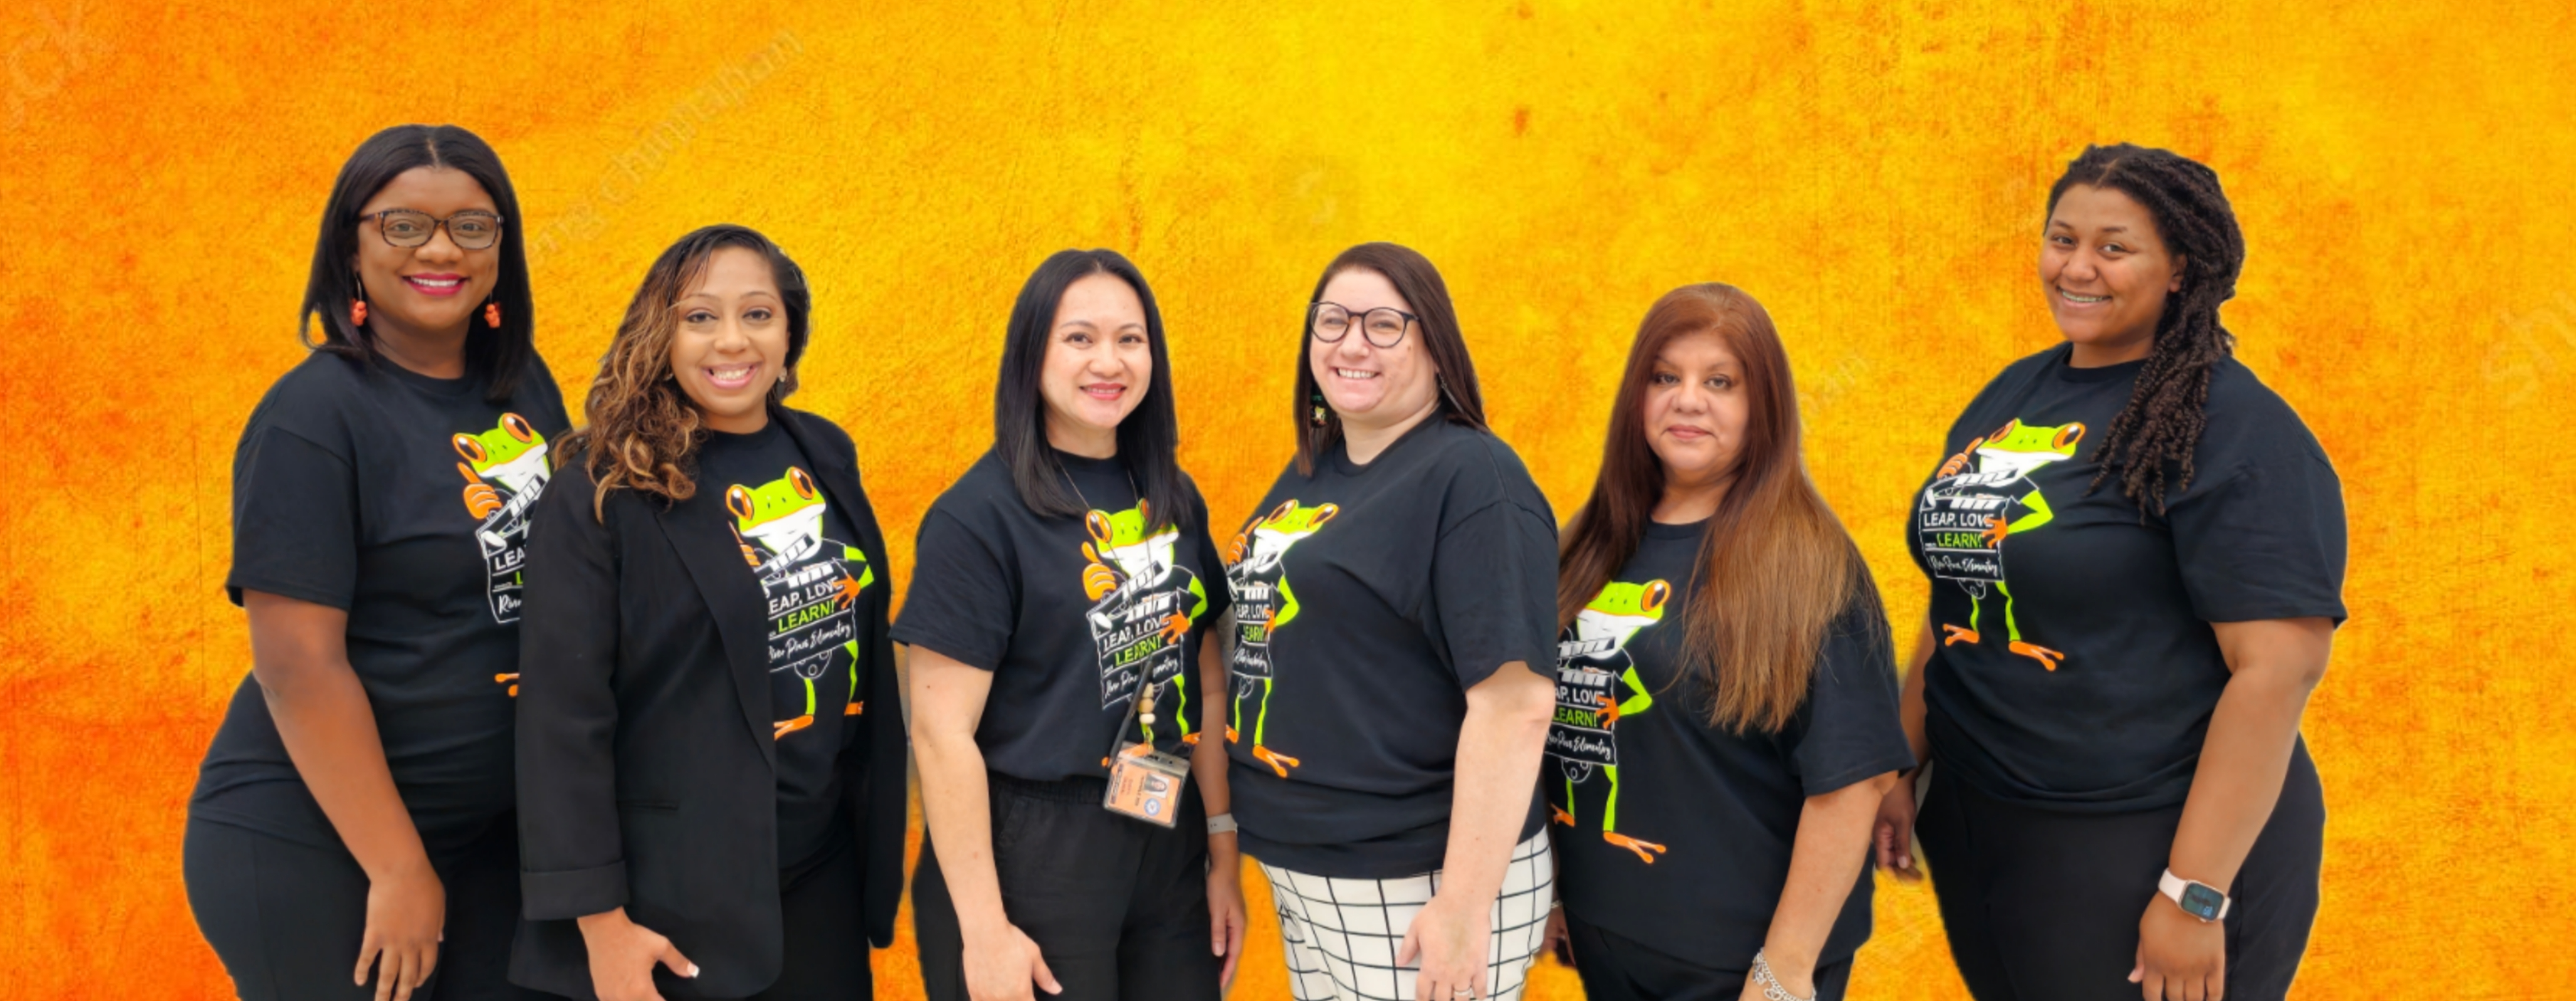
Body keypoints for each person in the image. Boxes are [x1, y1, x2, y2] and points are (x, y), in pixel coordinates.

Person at [1873, 144, 2346, 1001]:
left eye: (2114, 247)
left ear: (2181, 270)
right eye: (2062, 239)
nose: (2076, 267)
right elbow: (1959, 593)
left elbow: (2278, 670)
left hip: (2146, 835)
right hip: (1987, 818)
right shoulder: (2015, 393)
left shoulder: (2234, 428)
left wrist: (2193, 897)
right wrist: (1895, 766)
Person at [186, 123, 563, 1001]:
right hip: (319, 842)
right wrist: (397, 871)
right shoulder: (311, 421)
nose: (441, 249)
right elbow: (297, 667)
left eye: (473, 225)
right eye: (403, 225)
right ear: (350, 247)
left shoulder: (520, 387)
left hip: (481, 836)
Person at [510, 226, 907, 1001]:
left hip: (819, 871)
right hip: (672, 898)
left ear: (790, 332)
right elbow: (562, 719)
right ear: (661, 332)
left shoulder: (823, 451)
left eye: (757, 314)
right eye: (700, 317)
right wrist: (600, 922)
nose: (732, 340)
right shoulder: (600, 490)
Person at [1543, 285, 1913, 1001]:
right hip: (1607, 934)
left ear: (1762, 407)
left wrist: (1782, 972)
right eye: (1664, 376)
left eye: (1720, 382)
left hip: (1738, 963)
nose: (1687, 400)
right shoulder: (1591, 544)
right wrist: (1562, 891)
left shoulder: (1808, 564)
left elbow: (1853, 780)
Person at [902, 249, 1246, 1001]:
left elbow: (1207, 678)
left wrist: (1220, 846)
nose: (1109, 361)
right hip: (1033, 849)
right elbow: (939, 732)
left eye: (1130, 338)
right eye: (1079, 338)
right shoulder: (977, 516)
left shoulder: (1170, 496)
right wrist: (985, 930)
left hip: (1165, 826)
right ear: (1032, 355)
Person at [1224, 242, 1560, 1001]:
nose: (1350, 343)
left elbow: (1515, 704)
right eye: (1332, 321)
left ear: (1435, 345)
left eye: (1383, 325)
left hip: (1416, 881)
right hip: (1316, 869)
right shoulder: (1321, 465)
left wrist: (1463, 909)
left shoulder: (1473, 480)